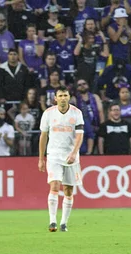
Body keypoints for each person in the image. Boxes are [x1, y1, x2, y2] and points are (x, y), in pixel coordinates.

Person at [38, 86, 84, 232]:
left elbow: (79, 135)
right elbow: (43, 136)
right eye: (60, 96)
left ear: (69, 97)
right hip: (54, 155)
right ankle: (52, 221)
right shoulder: (48, 113)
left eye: (65, 95)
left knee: (68, 190)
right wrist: (41, 158)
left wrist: (74, 153)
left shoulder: (77, 113)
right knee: (55, 185)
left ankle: (64, 222)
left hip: (71, 157)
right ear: (55, 98)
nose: (63, 98)